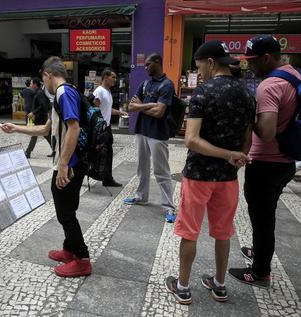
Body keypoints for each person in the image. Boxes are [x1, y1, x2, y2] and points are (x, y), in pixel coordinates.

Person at [165, 41, 255, 305]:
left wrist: (227, 154)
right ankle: (220, 285)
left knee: (190, 232)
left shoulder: (203, 94)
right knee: (223, 232)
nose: (200, 71)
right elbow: (247, 139)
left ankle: (182, 286)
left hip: (198, 175)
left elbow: (191, 140)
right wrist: (235, 157)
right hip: (227, 178)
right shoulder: (247, 95)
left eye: (199, 66)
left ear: (211, 63)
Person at [2, 57, 91, 278]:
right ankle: (69, 249)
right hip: (71, 163)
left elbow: (74, 128)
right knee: (66, 209)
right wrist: (16, 129)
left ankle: (82, 259)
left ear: (48, 75)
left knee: (65, 213)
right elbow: (46, 129)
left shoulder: (63, 93)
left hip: (70, 165)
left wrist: (63, 164)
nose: (43, 83)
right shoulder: (65, 93)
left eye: (43, 78)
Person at [229, 35, 300, 288]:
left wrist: (249, 118)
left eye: (252, 60)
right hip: (286, 161)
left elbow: (266, 132)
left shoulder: (269, 86)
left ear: (266, 58)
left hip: (267, 163)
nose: (248, 66)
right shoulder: (296, 75)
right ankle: (260, 251)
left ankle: (259, 272)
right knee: (266, 214)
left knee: (262, 217)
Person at [123, 53, 177, 223]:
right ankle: (141, 196)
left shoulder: (167, 85)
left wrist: (141, 106)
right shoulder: (145, 84)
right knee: (142, 167)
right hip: (142, 131)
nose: (145, 68)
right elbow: (130, 107)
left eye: (148, 65)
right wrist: (149, 105)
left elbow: (160, 112)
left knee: (161, 171)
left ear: (157, 62)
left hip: (158, 134)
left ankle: (168, 206)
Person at [92, 68, 128, 187]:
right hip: (100, 128)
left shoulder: (108, 91)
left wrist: (119, 113)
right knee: (100, 154)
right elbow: (94, 110)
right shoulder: (99, 91)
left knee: (107, 154)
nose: (115, 80)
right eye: (113, 77)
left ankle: (107, 178)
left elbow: (107, 109)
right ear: (106, 77)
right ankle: (96, 174)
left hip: (107, 128)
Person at [25, 78, 53, 158]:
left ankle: (28, 152)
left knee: (35, 134)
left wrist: (33, 113)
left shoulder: (40, 93)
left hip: (40, 118)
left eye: (31, 83)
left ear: (35, 84)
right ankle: (55, 150)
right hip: (39, 117)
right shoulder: (38, 92)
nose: (30, 85)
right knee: (46, 134)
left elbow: (43, 106)